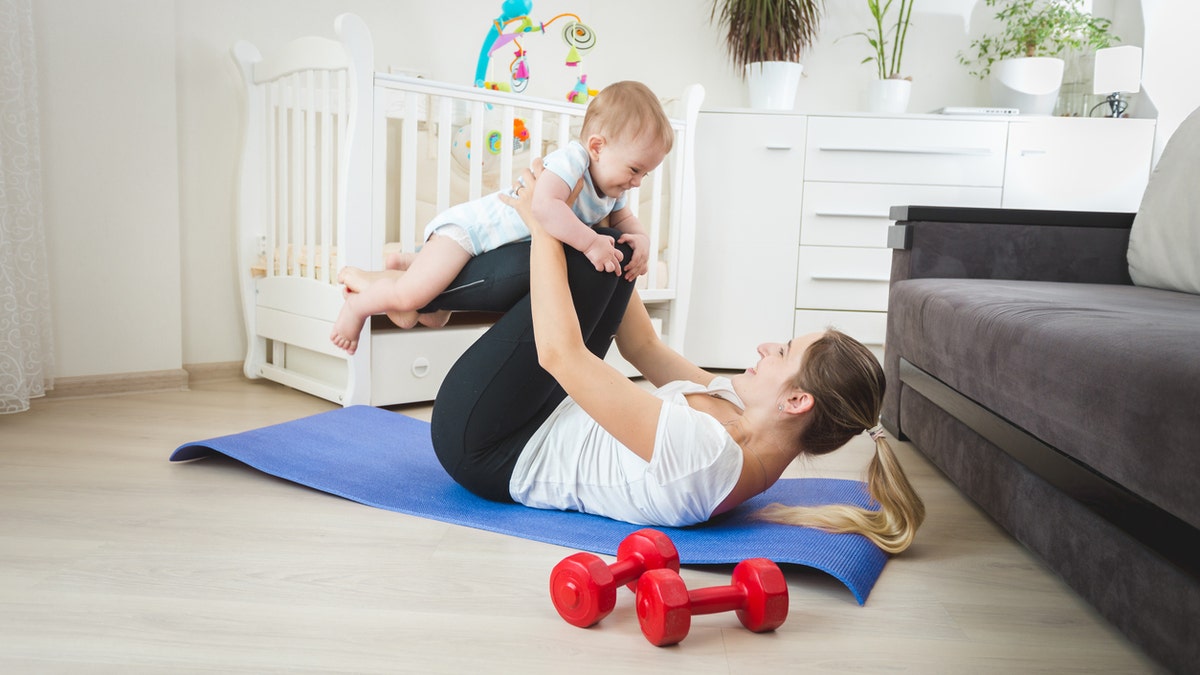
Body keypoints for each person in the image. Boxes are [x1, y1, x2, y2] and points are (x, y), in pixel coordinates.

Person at [429, 161, 926, 554]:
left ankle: (415, 294)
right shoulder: (743, 413)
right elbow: (643, 348)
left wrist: (543, 225)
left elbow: (560, 356)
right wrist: (622, 246)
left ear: (797, 400)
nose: (763, 348)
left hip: (490, 446)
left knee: (572, 251)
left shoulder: (708, 456)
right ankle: (419, 288)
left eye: (783, 352)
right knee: (604, 258)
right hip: (542, 415)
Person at [329, 80, 675, 355]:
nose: (637, 181)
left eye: (645, 174)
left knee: (431, 318)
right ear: (598, 146)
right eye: (635, 169)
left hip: (489, 250)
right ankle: (358, 307)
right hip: (468, 234)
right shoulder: (573, 160)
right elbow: (543, 207)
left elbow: (626, 221)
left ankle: (409, 262)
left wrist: (641, 241)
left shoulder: (613, 189)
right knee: (408, 298)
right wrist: (591, 242)